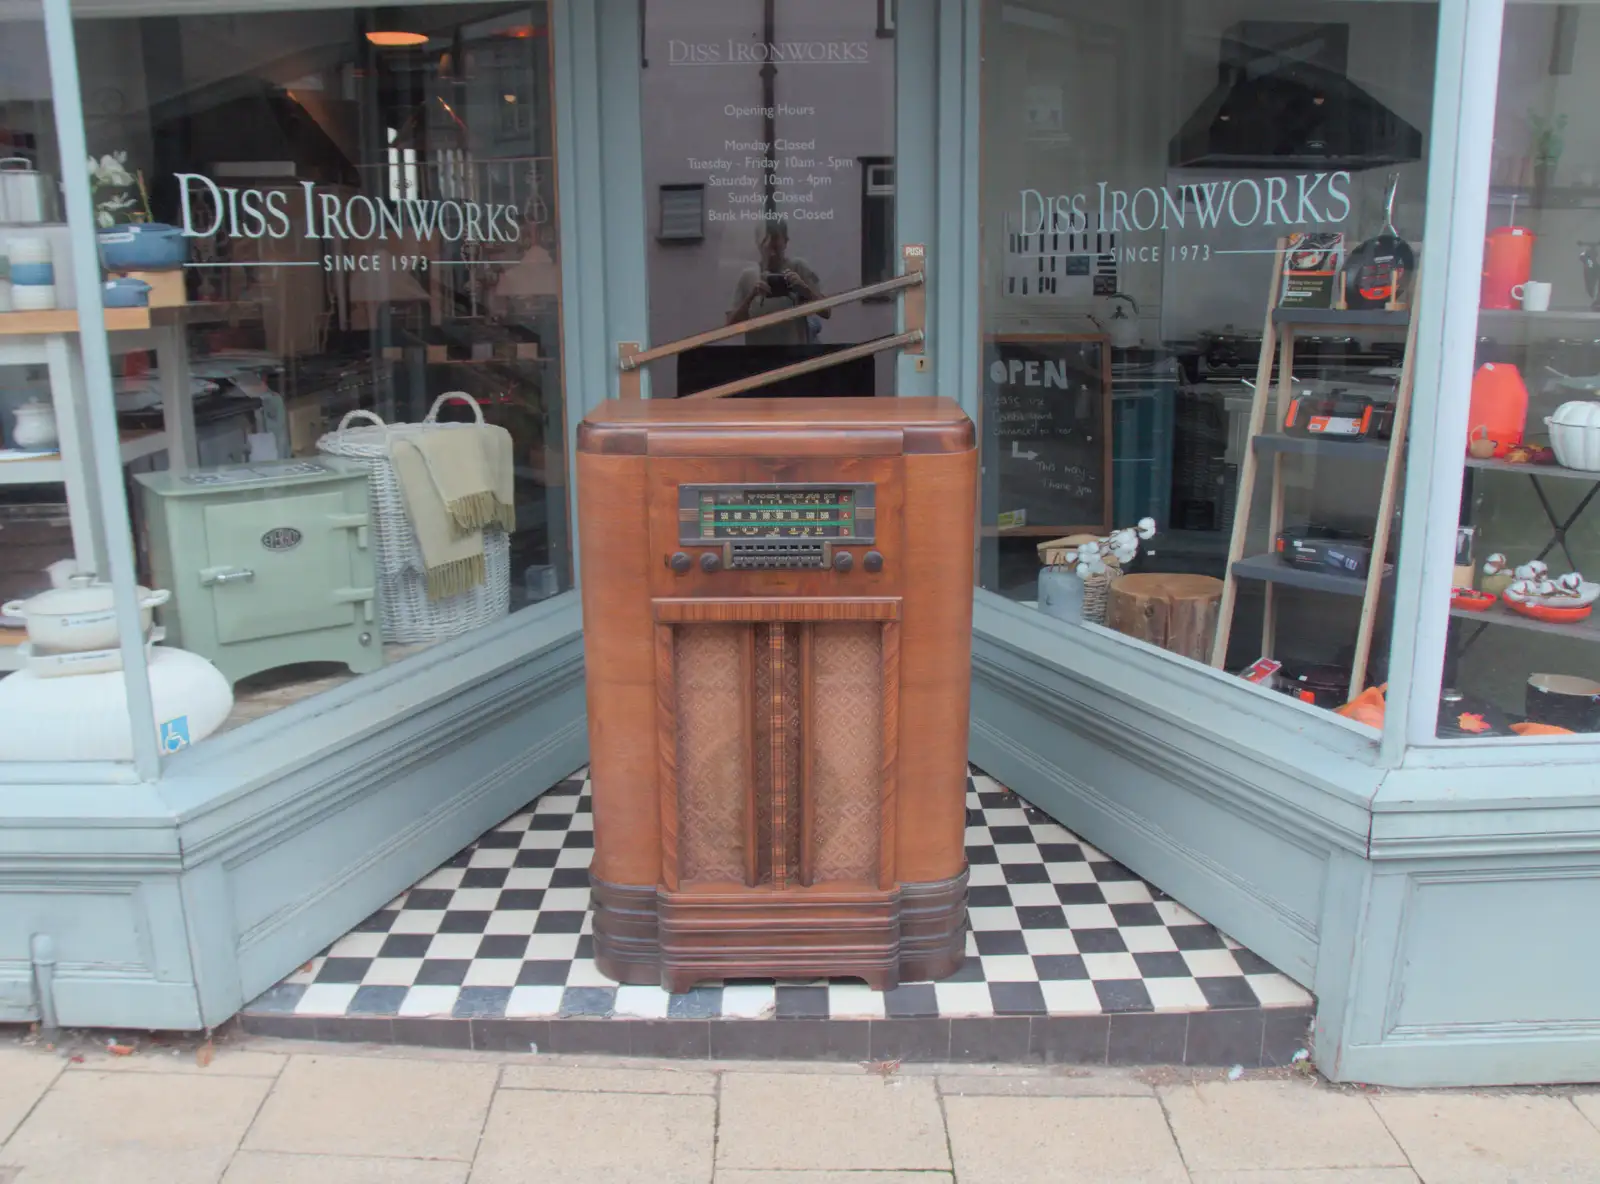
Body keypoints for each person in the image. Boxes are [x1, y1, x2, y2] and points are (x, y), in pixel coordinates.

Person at [727, 216, 827, 344]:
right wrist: (751, 296)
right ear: (758, 245)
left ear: (786, 242)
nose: (772, 254)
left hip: (794, 355)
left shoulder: (798, 267)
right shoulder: (748, 276)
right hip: (760, 357)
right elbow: (730, 326)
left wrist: (804, 290)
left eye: (776, 248)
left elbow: (826, 311)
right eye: (768, 248)